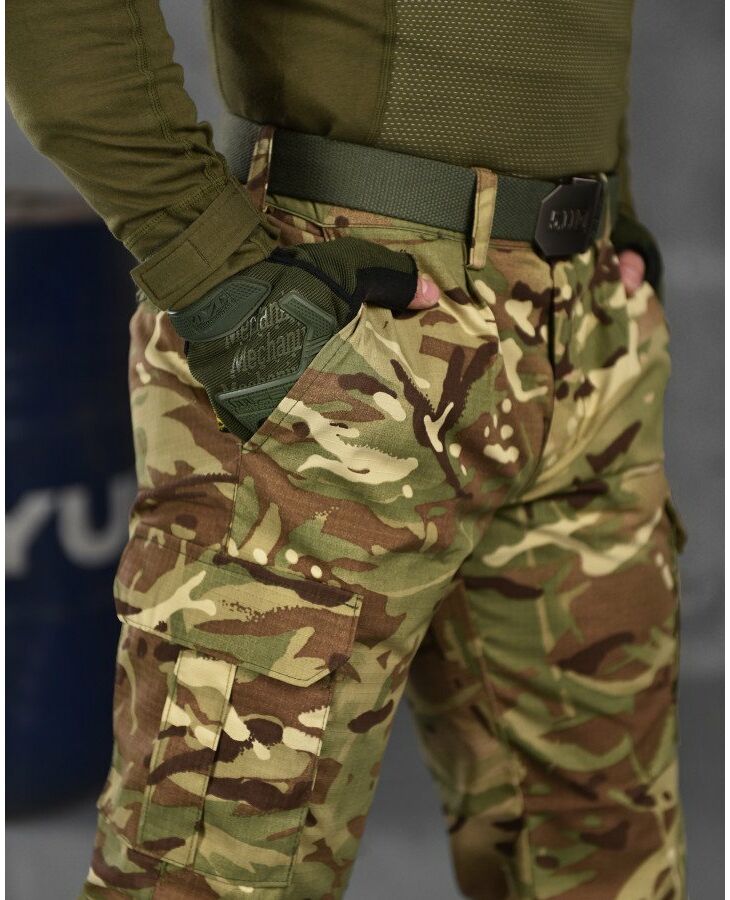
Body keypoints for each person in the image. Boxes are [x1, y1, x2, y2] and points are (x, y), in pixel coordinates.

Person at [7, 2, 686, 898]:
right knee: (220, 873)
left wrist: (614, 207)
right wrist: (216, 274)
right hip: (343, 327)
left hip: (585, 333)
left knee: (609, 862)